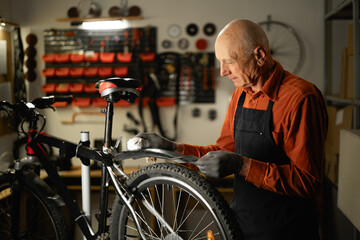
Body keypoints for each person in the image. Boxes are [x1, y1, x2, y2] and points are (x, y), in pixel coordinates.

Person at [129, 19, 328, 240]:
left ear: (259, 56)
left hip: (288, 231)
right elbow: (221, 151)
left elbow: (308, 181)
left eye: (229, 62)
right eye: (220, 62)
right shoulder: (240, 94)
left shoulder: (301, 98)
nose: (223, 72)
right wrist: (171, 148)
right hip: (240, 226)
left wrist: (242, 165)